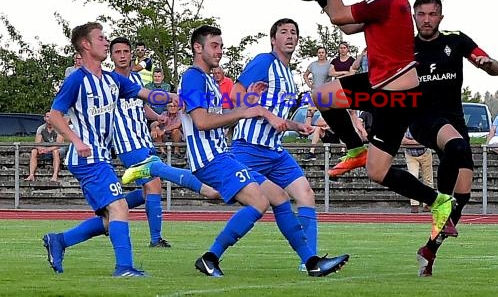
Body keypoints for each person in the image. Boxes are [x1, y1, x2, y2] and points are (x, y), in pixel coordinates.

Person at [122, 25, 349, 277]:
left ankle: (311, 262)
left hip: (223, 154)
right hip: (211, 158)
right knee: (258, 201)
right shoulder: (194, 76)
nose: (220, 51)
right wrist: (245, 110)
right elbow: (202, 122)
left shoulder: (207, 79)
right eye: (214, 46)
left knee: (279, 197)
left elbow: (216, 115)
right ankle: (210, 257)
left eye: (221, 46)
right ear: (198, 48)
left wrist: (248, 102)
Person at [309, 0, 456, 247]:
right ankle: (436, 200)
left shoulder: (387, 0)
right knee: (324, 97)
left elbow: (340, 15)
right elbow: (347, 26)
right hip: (383, 89)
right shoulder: (391, 5)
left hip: (394, 97)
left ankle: (357, 151)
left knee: (324, 97)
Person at [41, 22, 176, 277]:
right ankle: (124, 268)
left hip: (101, 156)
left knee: (111, 217)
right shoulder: (77, 80)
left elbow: (144, 94)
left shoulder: (112, 80)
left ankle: (60, 240)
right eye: (101, 38)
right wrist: (76, 140)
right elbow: (55, 114)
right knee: (119, 209)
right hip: (87, 159)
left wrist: (170, 98)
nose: (106, 42)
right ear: (86, 45)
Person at [409, 0, 498, 276]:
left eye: (432, 14)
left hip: (454, 120)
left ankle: (429, 251)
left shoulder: (455, 39)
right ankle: (440, 204)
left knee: (463, 194)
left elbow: (495, 68)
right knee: (458, 146)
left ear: (440, 16)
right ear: (414, 16)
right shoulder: (405, 45)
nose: (426, 20)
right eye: (421, 14)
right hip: (423, 119)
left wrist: (487, 64)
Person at [230, 18, 323, 270]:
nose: (290, 36)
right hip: (248, 146)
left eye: (294, 32)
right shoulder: (264, 62)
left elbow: (278, 118)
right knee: (216, 191)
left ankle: (310, 261)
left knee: (306, 194)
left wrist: (297, 126)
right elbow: (235, 95)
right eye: (284, 32)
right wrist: (256, 104)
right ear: (273, 39)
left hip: (274, 151)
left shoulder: (290, 77)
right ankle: (163, 170)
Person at [109, 36, 217, 247]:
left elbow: (142, 105)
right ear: (111, 56)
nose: (122, 56)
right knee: (156, 176)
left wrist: (157, 117)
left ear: (132, 54)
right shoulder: (110, 82)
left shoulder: (138, 80)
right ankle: (202, 188)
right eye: (117, 52)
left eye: (125, 52)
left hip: (143, 139)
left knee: (148, 190)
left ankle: (112, 209)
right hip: (126, 142)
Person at [24, 111, 64, 182]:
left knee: (55, 151)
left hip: (58, 148)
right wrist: (40, 148)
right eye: (48, 117)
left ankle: (55, 175)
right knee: (34, 151)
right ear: (45, 118)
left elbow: (59, 144)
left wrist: (48, 149)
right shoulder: (41, 128)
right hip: (46, 148)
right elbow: (37, 143)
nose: (49, 119)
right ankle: (31, 175)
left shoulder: (59, 128)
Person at [401, 129, 433, 213]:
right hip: (410, 155)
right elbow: (402, 141)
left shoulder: (425, 124)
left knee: (428, 179)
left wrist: (410, 142)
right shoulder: (404, 125)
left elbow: (428, 140)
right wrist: (419, 142)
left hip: (425, 153)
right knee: (412, 178)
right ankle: (414, 204)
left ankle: (428, 204)